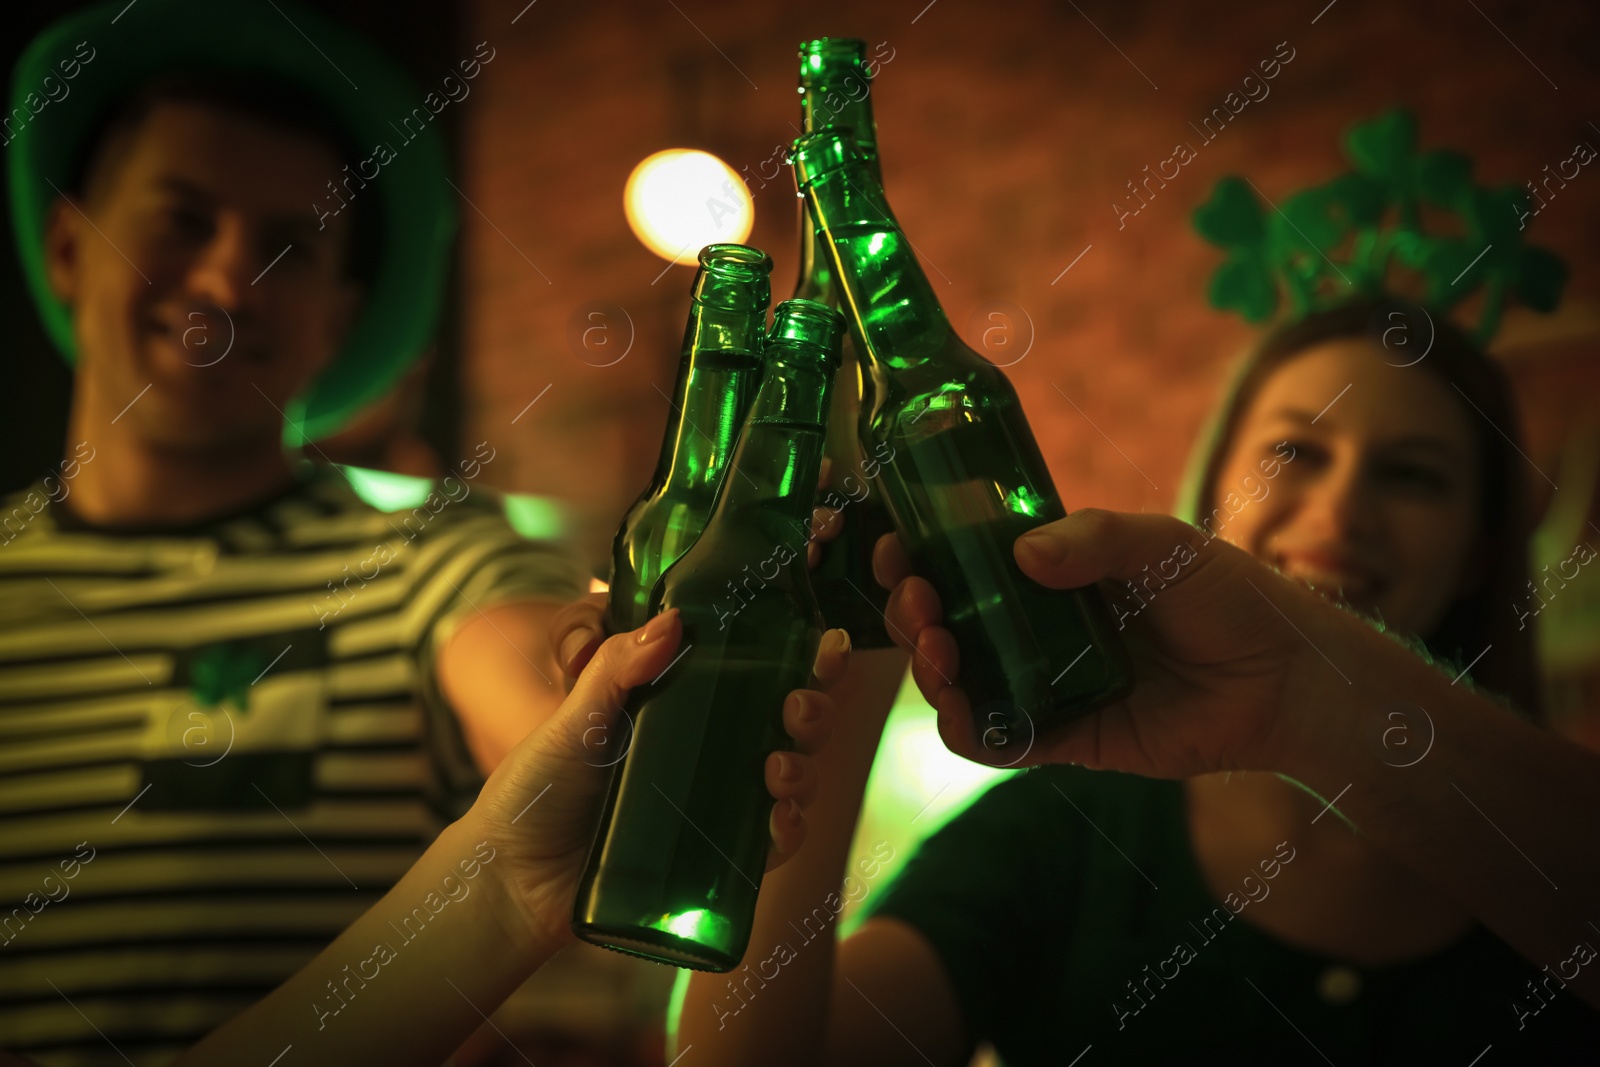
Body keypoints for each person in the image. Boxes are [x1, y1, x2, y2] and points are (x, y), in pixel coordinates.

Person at [0, 1, 835, 1063]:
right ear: (73, 244)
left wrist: (600, 693)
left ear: (339, 315)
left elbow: (523, 655)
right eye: (181, 219)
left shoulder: (418, 557)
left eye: (289, 248)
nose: (223, 281)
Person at [670, 296, 1600, 1064]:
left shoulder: (1544, 833)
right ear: (1216, 488)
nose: (1342, 507)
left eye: (1412, 475)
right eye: (1295, 451)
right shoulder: (1065, 832)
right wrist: (843, 662)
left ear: (1484, 550)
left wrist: (1307, 695)